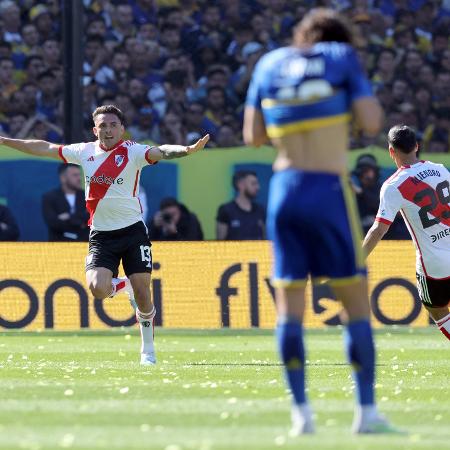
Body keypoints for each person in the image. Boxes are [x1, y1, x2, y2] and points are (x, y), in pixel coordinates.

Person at [243, 8, 396, 435]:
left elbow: (252, 135)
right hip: (328, 191)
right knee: (354, 305)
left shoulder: (269, 63)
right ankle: (365, 413)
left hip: (285, 190)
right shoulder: (341, 58)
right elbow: (371, 122)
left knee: (289, 310)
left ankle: (301, 416)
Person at [0, 104, 209, 366]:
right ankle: (123, 285)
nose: (108, 130)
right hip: (101, 235)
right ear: (94, 129)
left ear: (121, 129)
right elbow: (44, 147)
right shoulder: (83, 151)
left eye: (113, 125)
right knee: (97, 289)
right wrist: (5, 141)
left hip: (133, 232)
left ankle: (148, 351)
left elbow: (162, 151)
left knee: (144, 295)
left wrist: (186, 150)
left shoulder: (133, 151)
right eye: (103, 126)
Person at [363, 125, 450, 341]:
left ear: (391, 151)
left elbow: (379, 229)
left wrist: (357, 259)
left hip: (434, 265)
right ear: (417, 146)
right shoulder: (441, 169)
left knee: (437, 309)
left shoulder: (393, 186)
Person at [42, 163, 90, 242]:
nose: (79, 178)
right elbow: (53, 223)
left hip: (84, 245)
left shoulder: (87, 196)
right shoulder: (49, 197)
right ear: (63, 178)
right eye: (75, 175)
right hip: (59, 246)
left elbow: (90, 218)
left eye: (79, 175)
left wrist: (69, 216)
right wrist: (80, 222)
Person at [216, 170, 266, 240]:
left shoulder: (260, 210)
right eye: (253, 184)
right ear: (240, 185)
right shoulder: (226, 210)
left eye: (257, 184)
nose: (258, 187)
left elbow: (265, 239)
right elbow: (220, 243)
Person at [351, 154, 382, 234]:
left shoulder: (381, 188)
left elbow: (378, 205)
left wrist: (361, 192)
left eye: (368, 171)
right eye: (363, 171)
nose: (365, 174)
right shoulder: (356, 187)